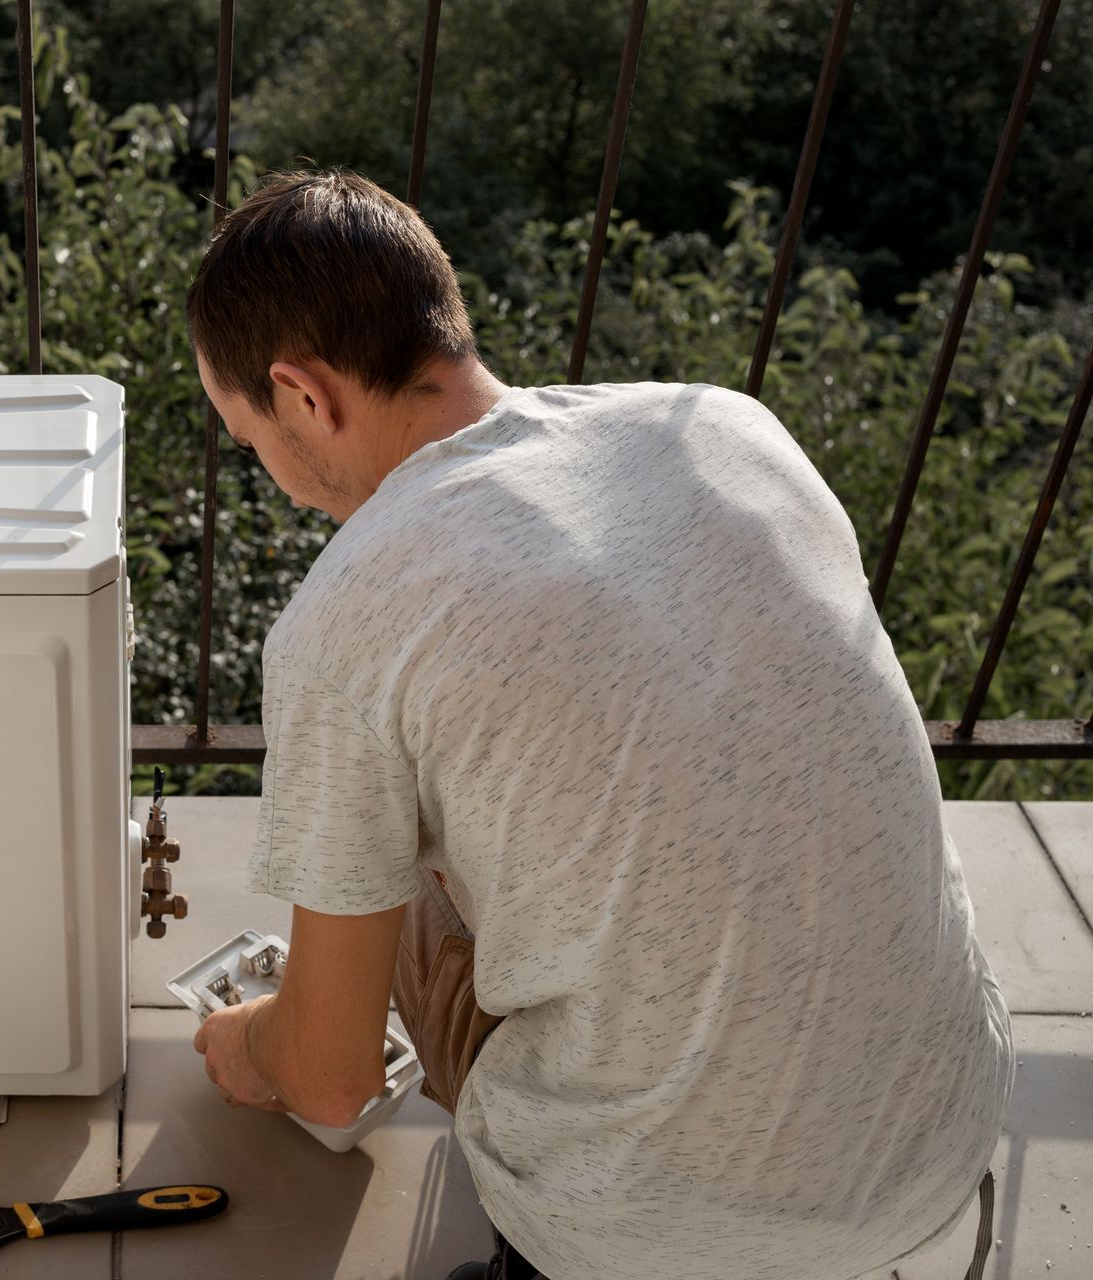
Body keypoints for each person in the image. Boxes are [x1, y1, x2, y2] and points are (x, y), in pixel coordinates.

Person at [186, 168, 1014, 1280]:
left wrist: (250, 1039)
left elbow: (332, 1077)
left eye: (252, 443)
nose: (275, 478)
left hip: (649, 1236)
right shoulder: (728, 426)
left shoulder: (348, 615)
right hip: (945, 1141)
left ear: (301, 395)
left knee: (389, 901)